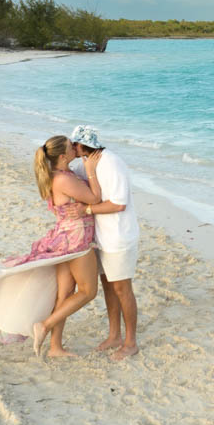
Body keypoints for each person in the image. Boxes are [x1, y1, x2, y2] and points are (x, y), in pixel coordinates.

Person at [0, 135, 102, 355]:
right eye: (72, 147)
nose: (76, 147)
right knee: (88, 291)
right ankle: (44, 325)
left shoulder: (58, 175)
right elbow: (95, 198)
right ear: (62, 156)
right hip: (76, 240)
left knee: (65, 292)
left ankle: (55, 347)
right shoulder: (63, 179)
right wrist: (91, 169)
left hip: (66, 236)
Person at [70, 124, 141, 359]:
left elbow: (118, 204)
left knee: (122, 288)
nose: (72, 148)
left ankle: (130, 342)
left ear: (81, 145)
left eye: (74, 144)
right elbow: (77, 183)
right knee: (108, 286)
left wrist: (87, 209)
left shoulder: (111, 162)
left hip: (119, 236)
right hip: (101, 237)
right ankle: (114, 335)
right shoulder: (86, 163)